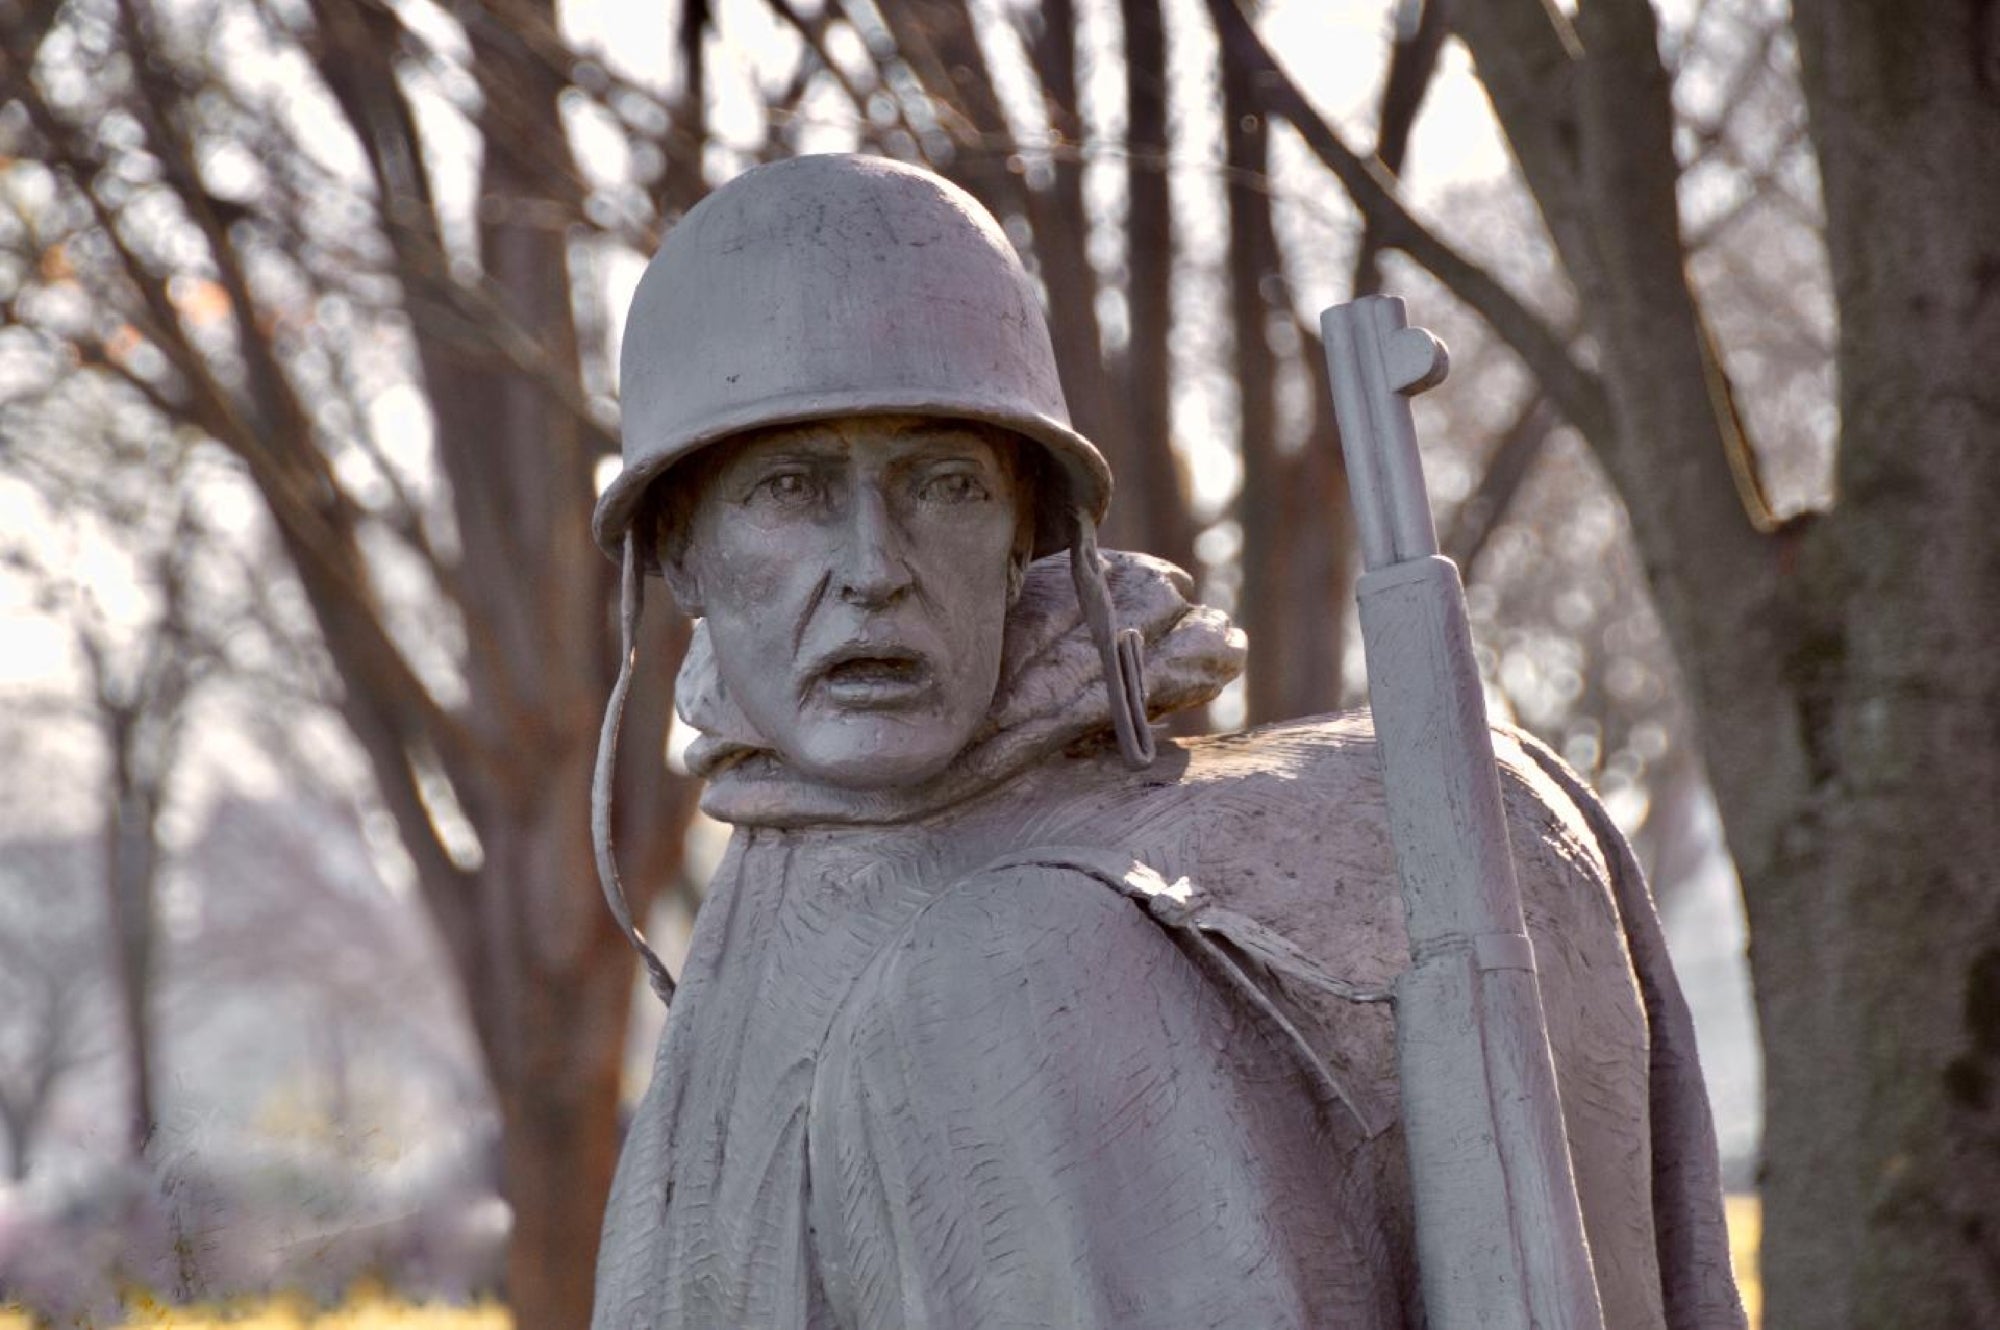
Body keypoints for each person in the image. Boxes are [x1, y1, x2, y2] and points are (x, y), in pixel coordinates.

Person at [587, 154, 1744, 1329]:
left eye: (944, 484)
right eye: (790, 489)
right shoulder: (757, 930)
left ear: (1021, 539)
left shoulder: (1014, 962)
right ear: (677, 552)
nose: (875, 568)